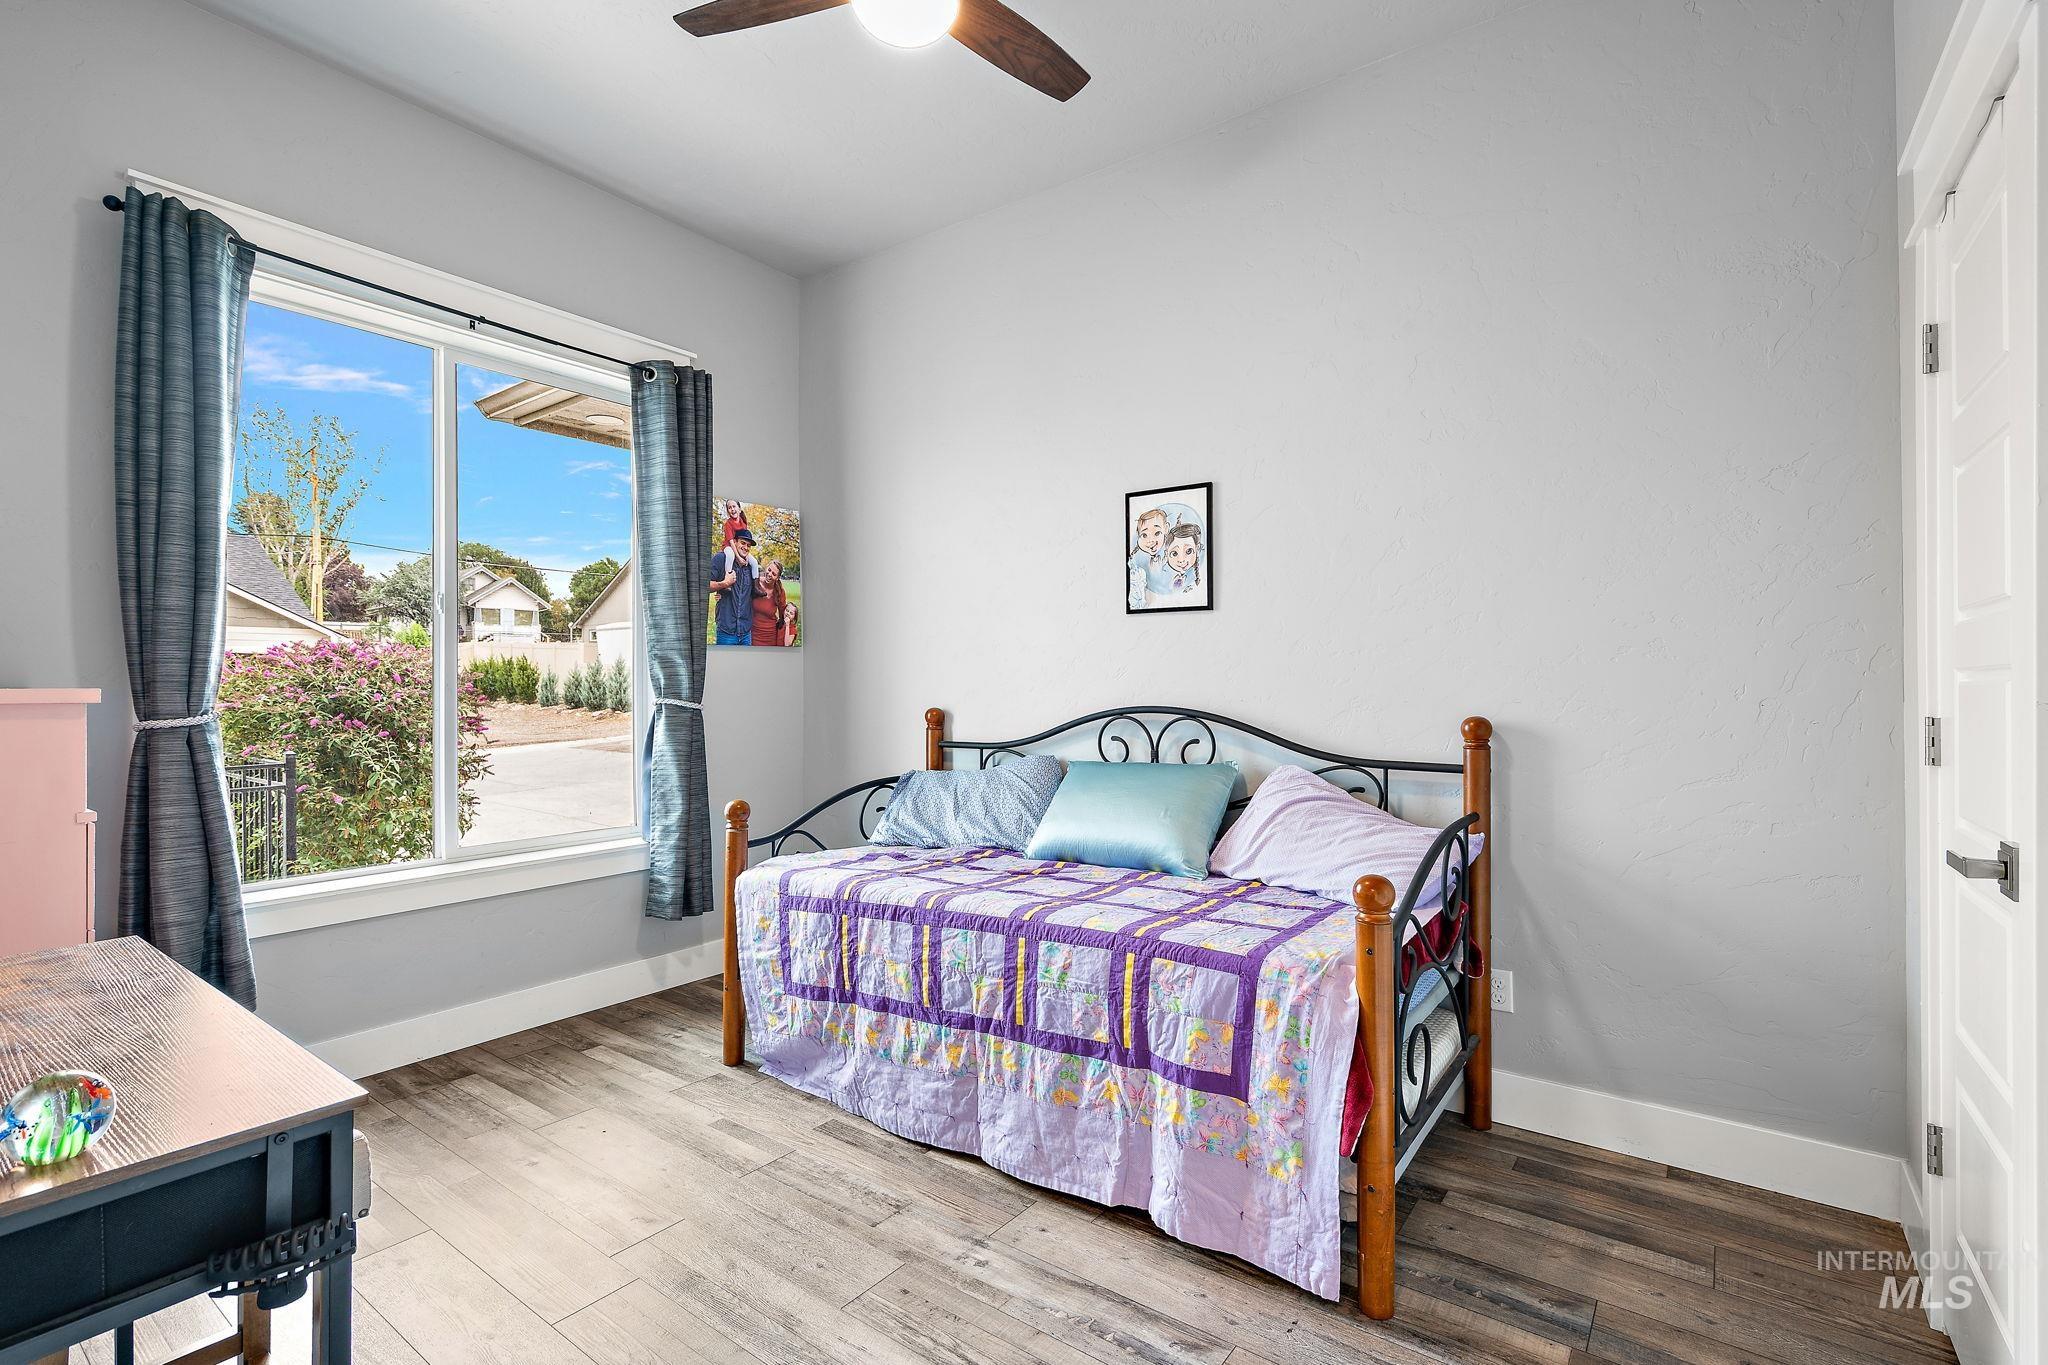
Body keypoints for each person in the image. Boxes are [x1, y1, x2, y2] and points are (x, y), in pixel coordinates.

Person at [710, 526, 756, 645]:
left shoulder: (751, 567)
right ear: (734, 542)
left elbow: (758, 590)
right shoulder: (721, 559)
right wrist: (724, 584)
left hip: (746, 632)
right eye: (743, 543)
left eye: (748, 545)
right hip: (726, 631)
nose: (745, 547)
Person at [1127, 507, 1167, 610]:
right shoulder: (1136, 563)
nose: (1150, 541)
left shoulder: (1169, 552)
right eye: (1144, 535)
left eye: (1157, 533)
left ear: (1166, 529)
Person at [750, 559, 790, 646]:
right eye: (769, 570)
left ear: (778, 578)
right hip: (753, 633)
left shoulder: (779, 592)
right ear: (766, 568)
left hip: (770, 635)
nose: (770, 574)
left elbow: (783, 615)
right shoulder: (755, 583)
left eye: (774, 574)